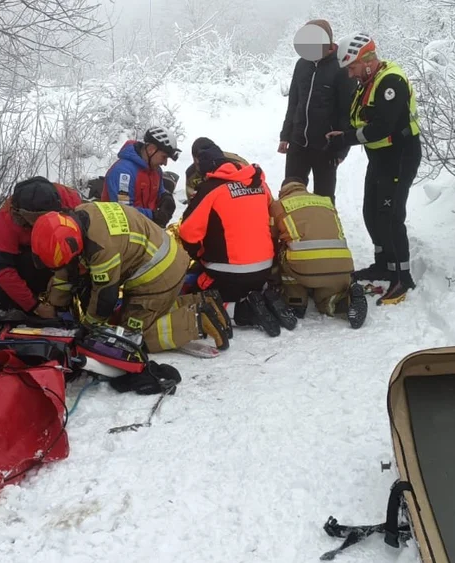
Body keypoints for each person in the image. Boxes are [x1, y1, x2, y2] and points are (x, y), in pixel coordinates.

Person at [30, 202, 233, 354]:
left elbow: (105, 298)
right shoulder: (80, 217)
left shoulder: (101, 248)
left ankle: (196, 320)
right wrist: (54, 305)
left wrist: (89, 329)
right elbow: (65, 272)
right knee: (148, 311)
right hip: (166, 259)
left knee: (130, 338)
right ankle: (202, 302)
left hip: (157, 274)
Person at [327, 32, 422, 306]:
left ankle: (403, 277)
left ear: (367, 60)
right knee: (372, 211)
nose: (349, 75)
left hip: (400, 155)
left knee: (392, 216)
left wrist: (345, 139)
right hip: (380, 157)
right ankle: (384, 264)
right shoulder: (367, 81)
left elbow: (382, 127)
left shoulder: (390, 81)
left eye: (352, 68)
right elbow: (359, 120)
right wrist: (340, 138)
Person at [178, 146, 282, 337]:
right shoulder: (259, 183)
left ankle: (243, 312)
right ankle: (266, 297)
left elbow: (187, 233)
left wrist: (198, 254)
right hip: (265, 269)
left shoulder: (211, 189)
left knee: (197, 299)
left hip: (227, 273)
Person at [0, 176, 83, 317]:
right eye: (34, 221)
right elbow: (3, 268)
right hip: (11, 247)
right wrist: (34, 306)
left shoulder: (71, 201)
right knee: (29, 276)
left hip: (46, 242)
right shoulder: (8, 218)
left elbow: (81, 243)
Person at [270, 178, 367, 329]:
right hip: (341, 263)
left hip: (304, 267)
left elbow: (271, 238)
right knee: (328, 300)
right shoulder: (325, 201)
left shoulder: (278, 205)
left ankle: (296, 301)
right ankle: (343, 301)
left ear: (282, 191)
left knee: (284, 251)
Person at [279, 20, 357, 202]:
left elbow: (348, 111)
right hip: (298, 143)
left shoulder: (342, 68)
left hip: (326, 147)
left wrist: (341, 150)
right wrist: (285, 135)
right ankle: (293, 231)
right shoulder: (301, 65)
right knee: (290, 195)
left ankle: (325, 231)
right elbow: (294, 103)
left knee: (324, 199)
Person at [99, 127, 180, 227]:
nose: (165, 163)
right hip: (118, 232)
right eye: (164, 157)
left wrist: (165, 197)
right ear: (151, 150)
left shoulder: (155, 170)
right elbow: (123, 211)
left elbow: (159, 191)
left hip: (145, 228)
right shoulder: (123, 172)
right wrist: (153, 216)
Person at [183, 137, 249, 204]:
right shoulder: (191, 175)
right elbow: (192, 204)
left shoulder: (237, 162)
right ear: (195, 159)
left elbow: (254, 185)